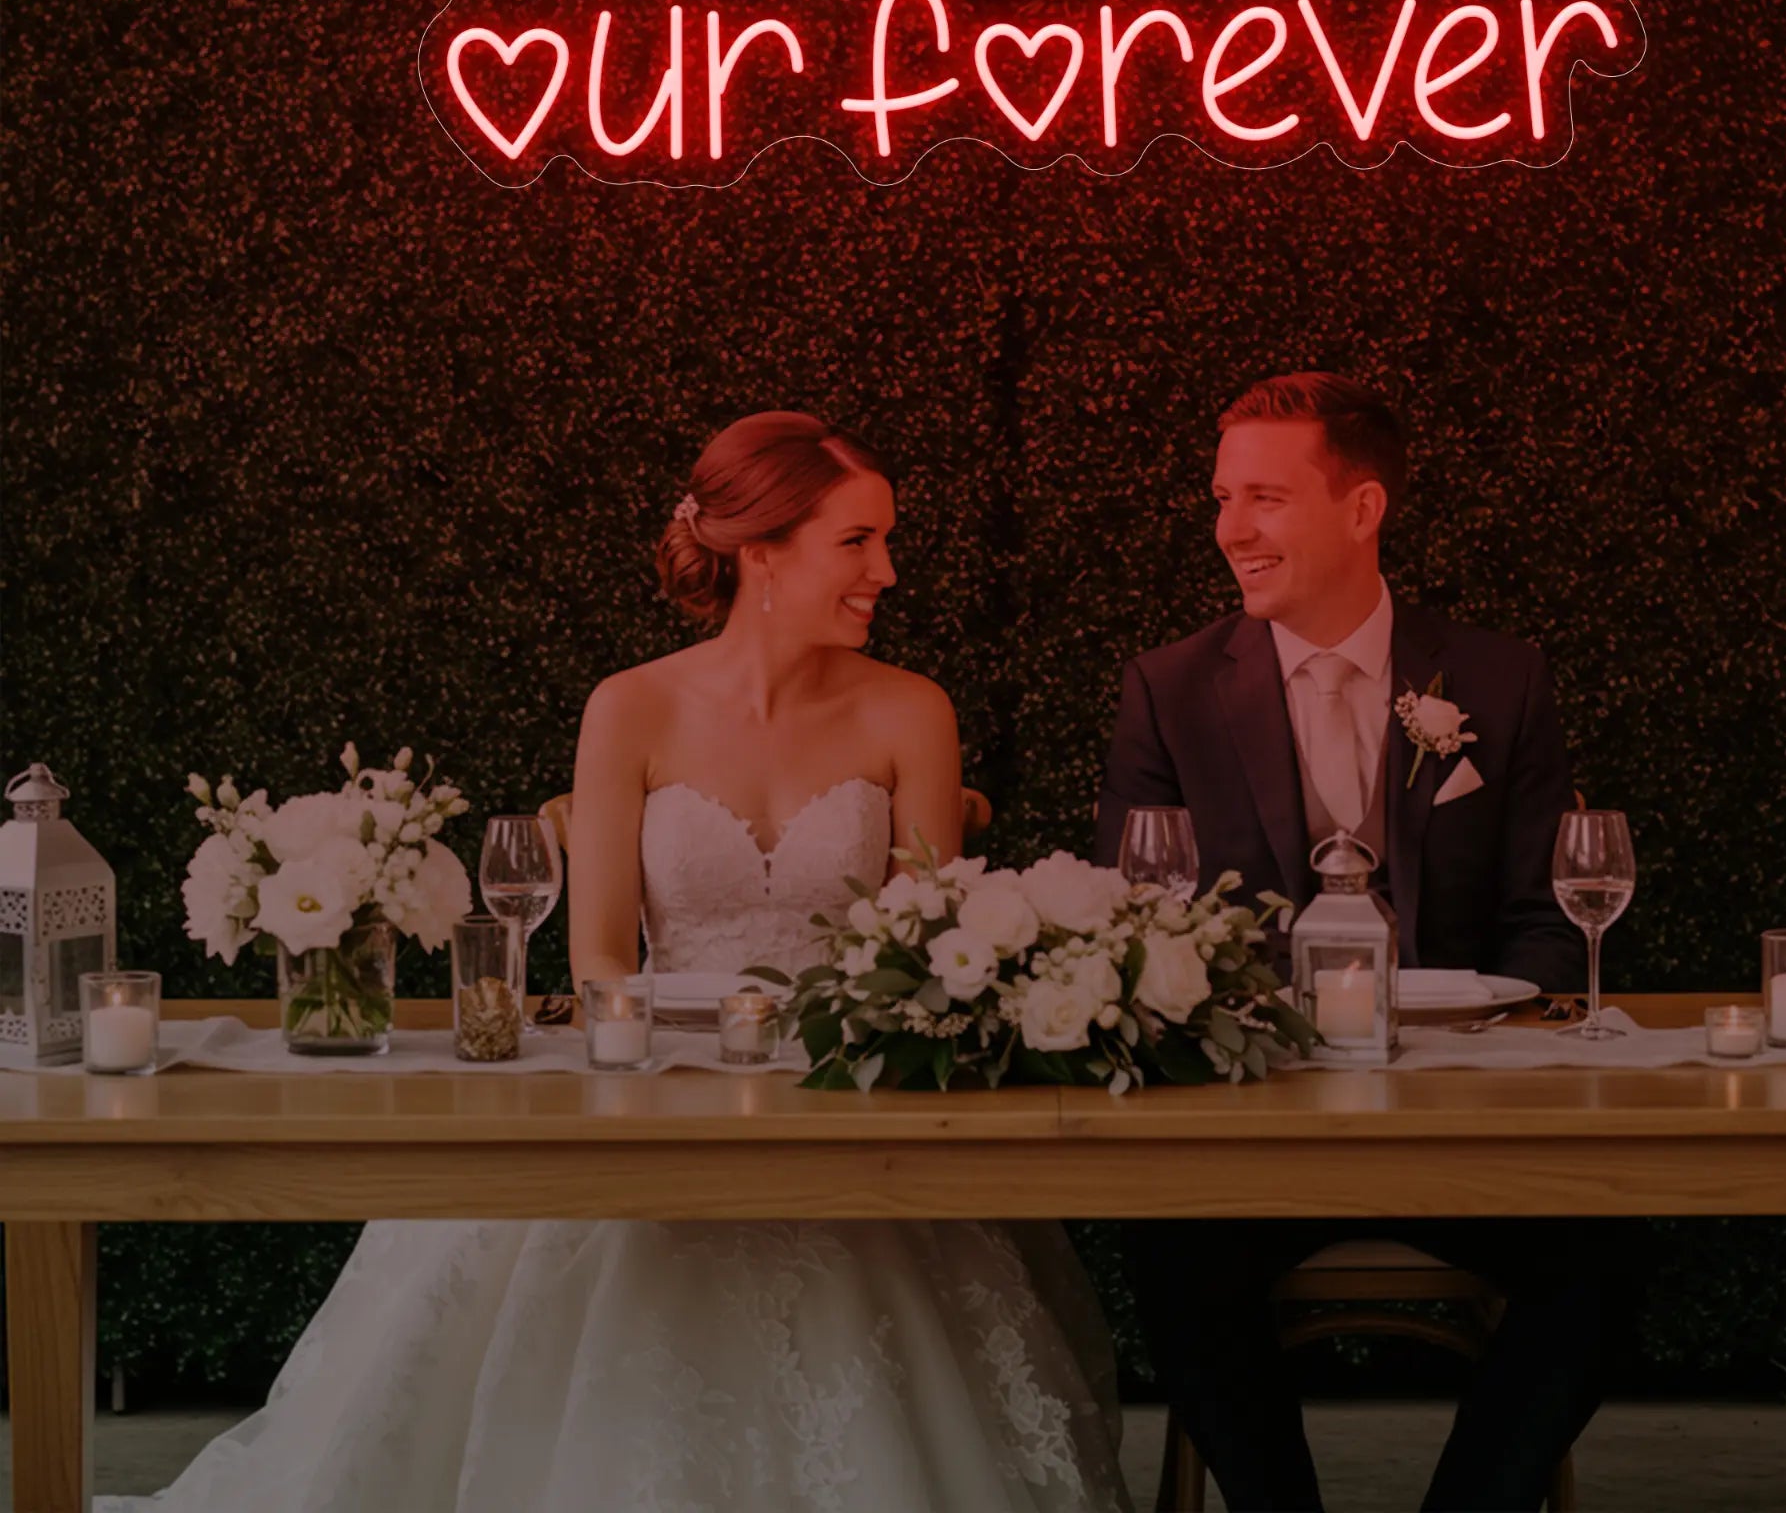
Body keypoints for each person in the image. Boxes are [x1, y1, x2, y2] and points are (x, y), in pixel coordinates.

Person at [111, 411, 1129, 1513]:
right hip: (649, 1079)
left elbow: (922, 951)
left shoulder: (912, 709)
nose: (886, 569)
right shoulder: (630, 705)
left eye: (885, 540)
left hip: (843, 1097)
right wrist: (664, 1073)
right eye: (857, 540)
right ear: (760, 551)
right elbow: (598, 949)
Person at [1095, 372, 1605, 1513]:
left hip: (1463, 1119)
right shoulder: (1169, 690)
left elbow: (1544, 920)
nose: (1229, 528)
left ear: (1361, 508)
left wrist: (1469, 1034)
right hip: (1252, 1130)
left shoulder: (1495, 677)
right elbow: (1131, 923)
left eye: (1263, 497)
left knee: (1608, 1252)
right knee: (1171, 1255)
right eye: (1223, 496)